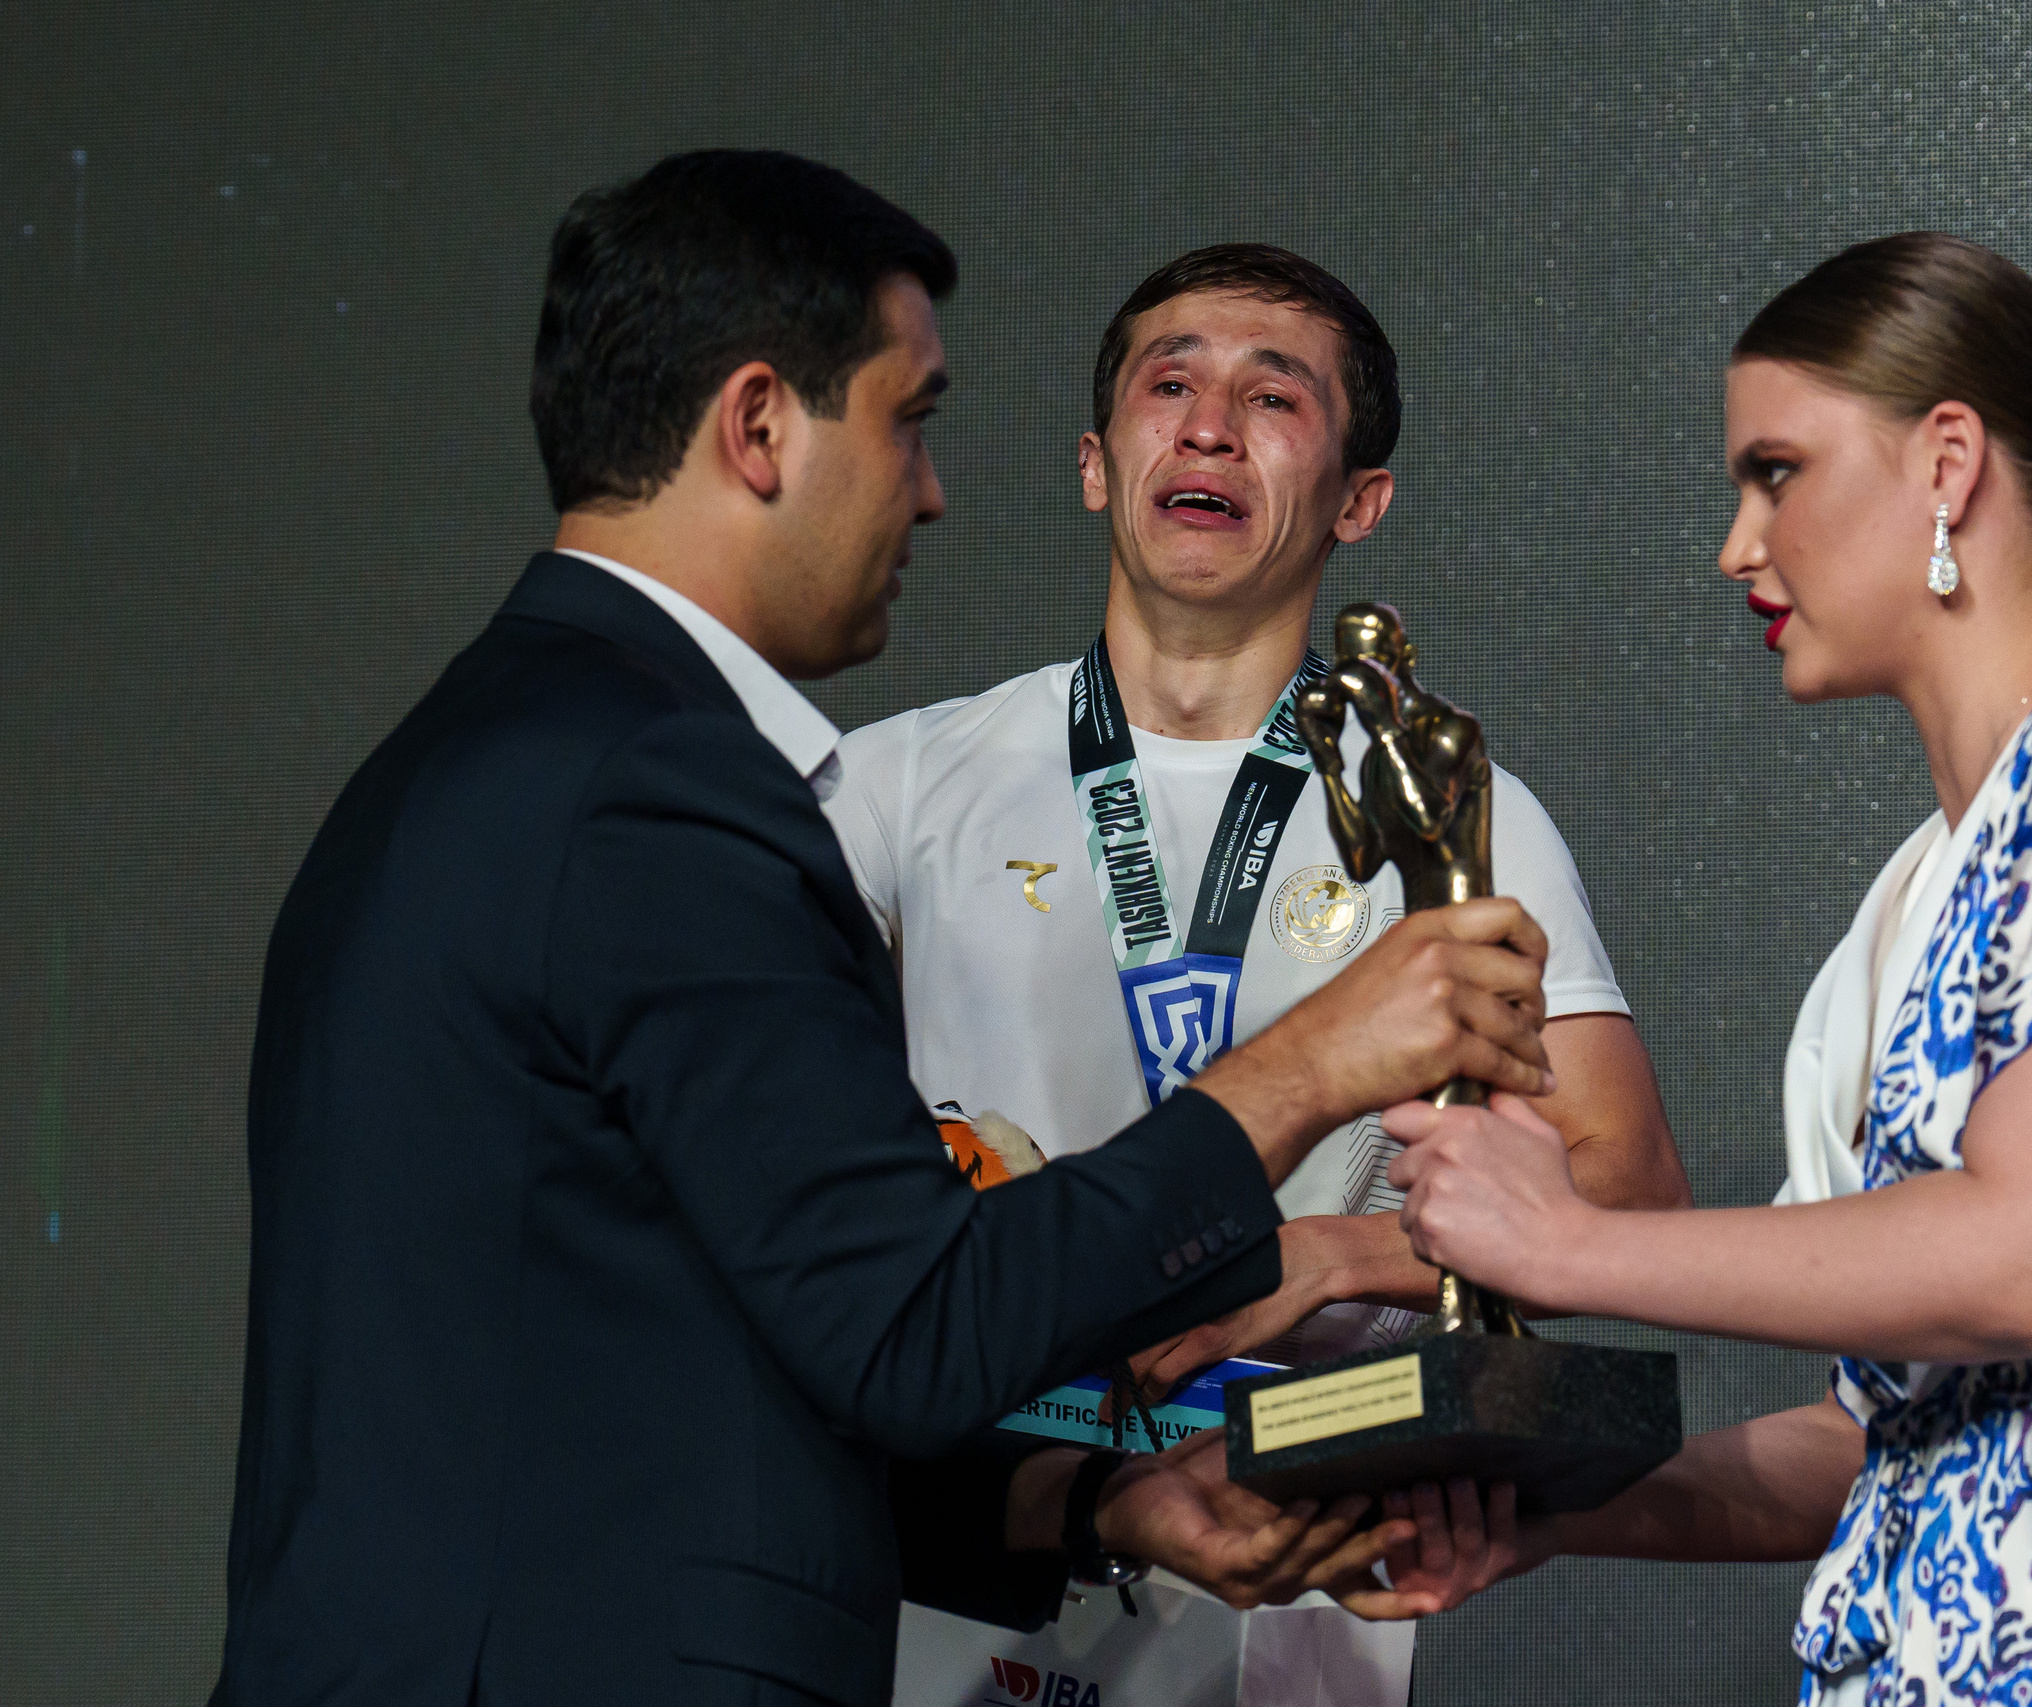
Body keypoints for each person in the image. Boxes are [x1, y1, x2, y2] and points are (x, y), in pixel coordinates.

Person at [208, 153, 1563, 1707]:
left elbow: (725, 1352)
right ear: (763, 425)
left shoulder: (494, 752)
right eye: (909, 420)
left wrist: (1093, 1502)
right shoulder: (662, 793)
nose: (929, 485)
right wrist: (1304, 1072)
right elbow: (912, 1319)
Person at [1367, 233, 2032, 1703]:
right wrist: (1557, 1517)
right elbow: (1882, 1434)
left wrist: (1570, 1247)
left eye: (1777, 472)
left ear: (1947, 460)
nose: (1738, 544)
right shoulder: (1916, 893)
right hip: (1959, 1648)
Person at [823, 243, 1689, 1703]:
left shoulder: (1443, 807)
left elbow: (1630, 1179)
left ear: (1361, 502)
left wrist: (1338, 1259)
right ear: (1099, 465)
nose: (1209, 424)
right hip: (975, 1529)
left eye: (1270, 397)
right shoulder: (896, 787)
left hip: (1289, 1531)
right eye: (1171, 384)